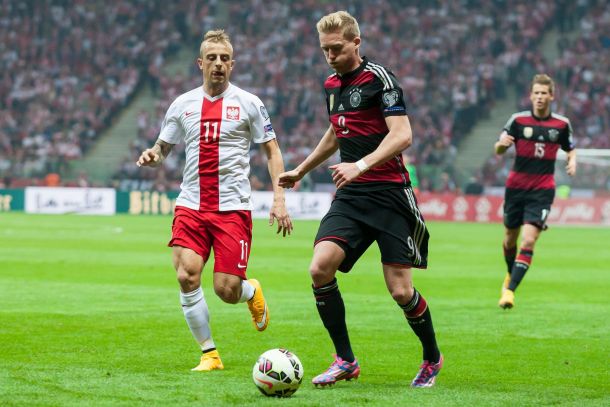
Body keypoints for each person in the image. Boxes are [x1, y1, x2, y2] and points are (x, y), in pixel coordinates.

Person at [278, 11, 442, 388]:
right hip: (351, 197)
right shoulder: (331, 85)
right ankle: (345, 360)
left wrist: (361, 165)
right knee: (320, 268)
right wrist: (301, 170)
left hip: (389, 194)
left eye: (336, 48)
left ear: (357, 42)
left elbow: (402, 135)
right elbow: (336, 132)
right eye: (325, 50)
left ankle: (432, 358)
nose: (330, 56)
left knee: (401, 290)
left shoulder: (380, 79)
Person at [137, 29, 292, 371]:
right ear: (200, 63)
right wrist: (153, 155)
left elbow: (272, 151)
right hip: (191, 205)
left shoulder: (250, 103)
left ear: (232, 64)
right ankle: (209, 354)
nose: (218, 64)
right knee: (186, 276)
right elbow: (163, 147)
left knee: (226, 289)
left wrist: (279, 199)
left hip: (232, 209)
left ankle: (250, 292)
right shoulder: (182, 104)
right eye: (212, 58)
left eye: (224, 58)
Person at [495, 73, 576, 309]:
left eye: (544, 93)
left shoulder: (561, 124)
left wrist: (572, 161)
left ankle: (509, 291)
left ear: (551, 96)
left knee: (528, 241)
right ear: (531, 96)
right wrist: (501, 145)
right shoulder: (517, 121)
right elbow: (498, 148)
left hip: (542, 190)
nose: (540, 97)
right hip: (516, 188)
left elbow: (571, 148)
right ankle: (511, 274)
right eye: (536, 93)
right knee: (509, 239)